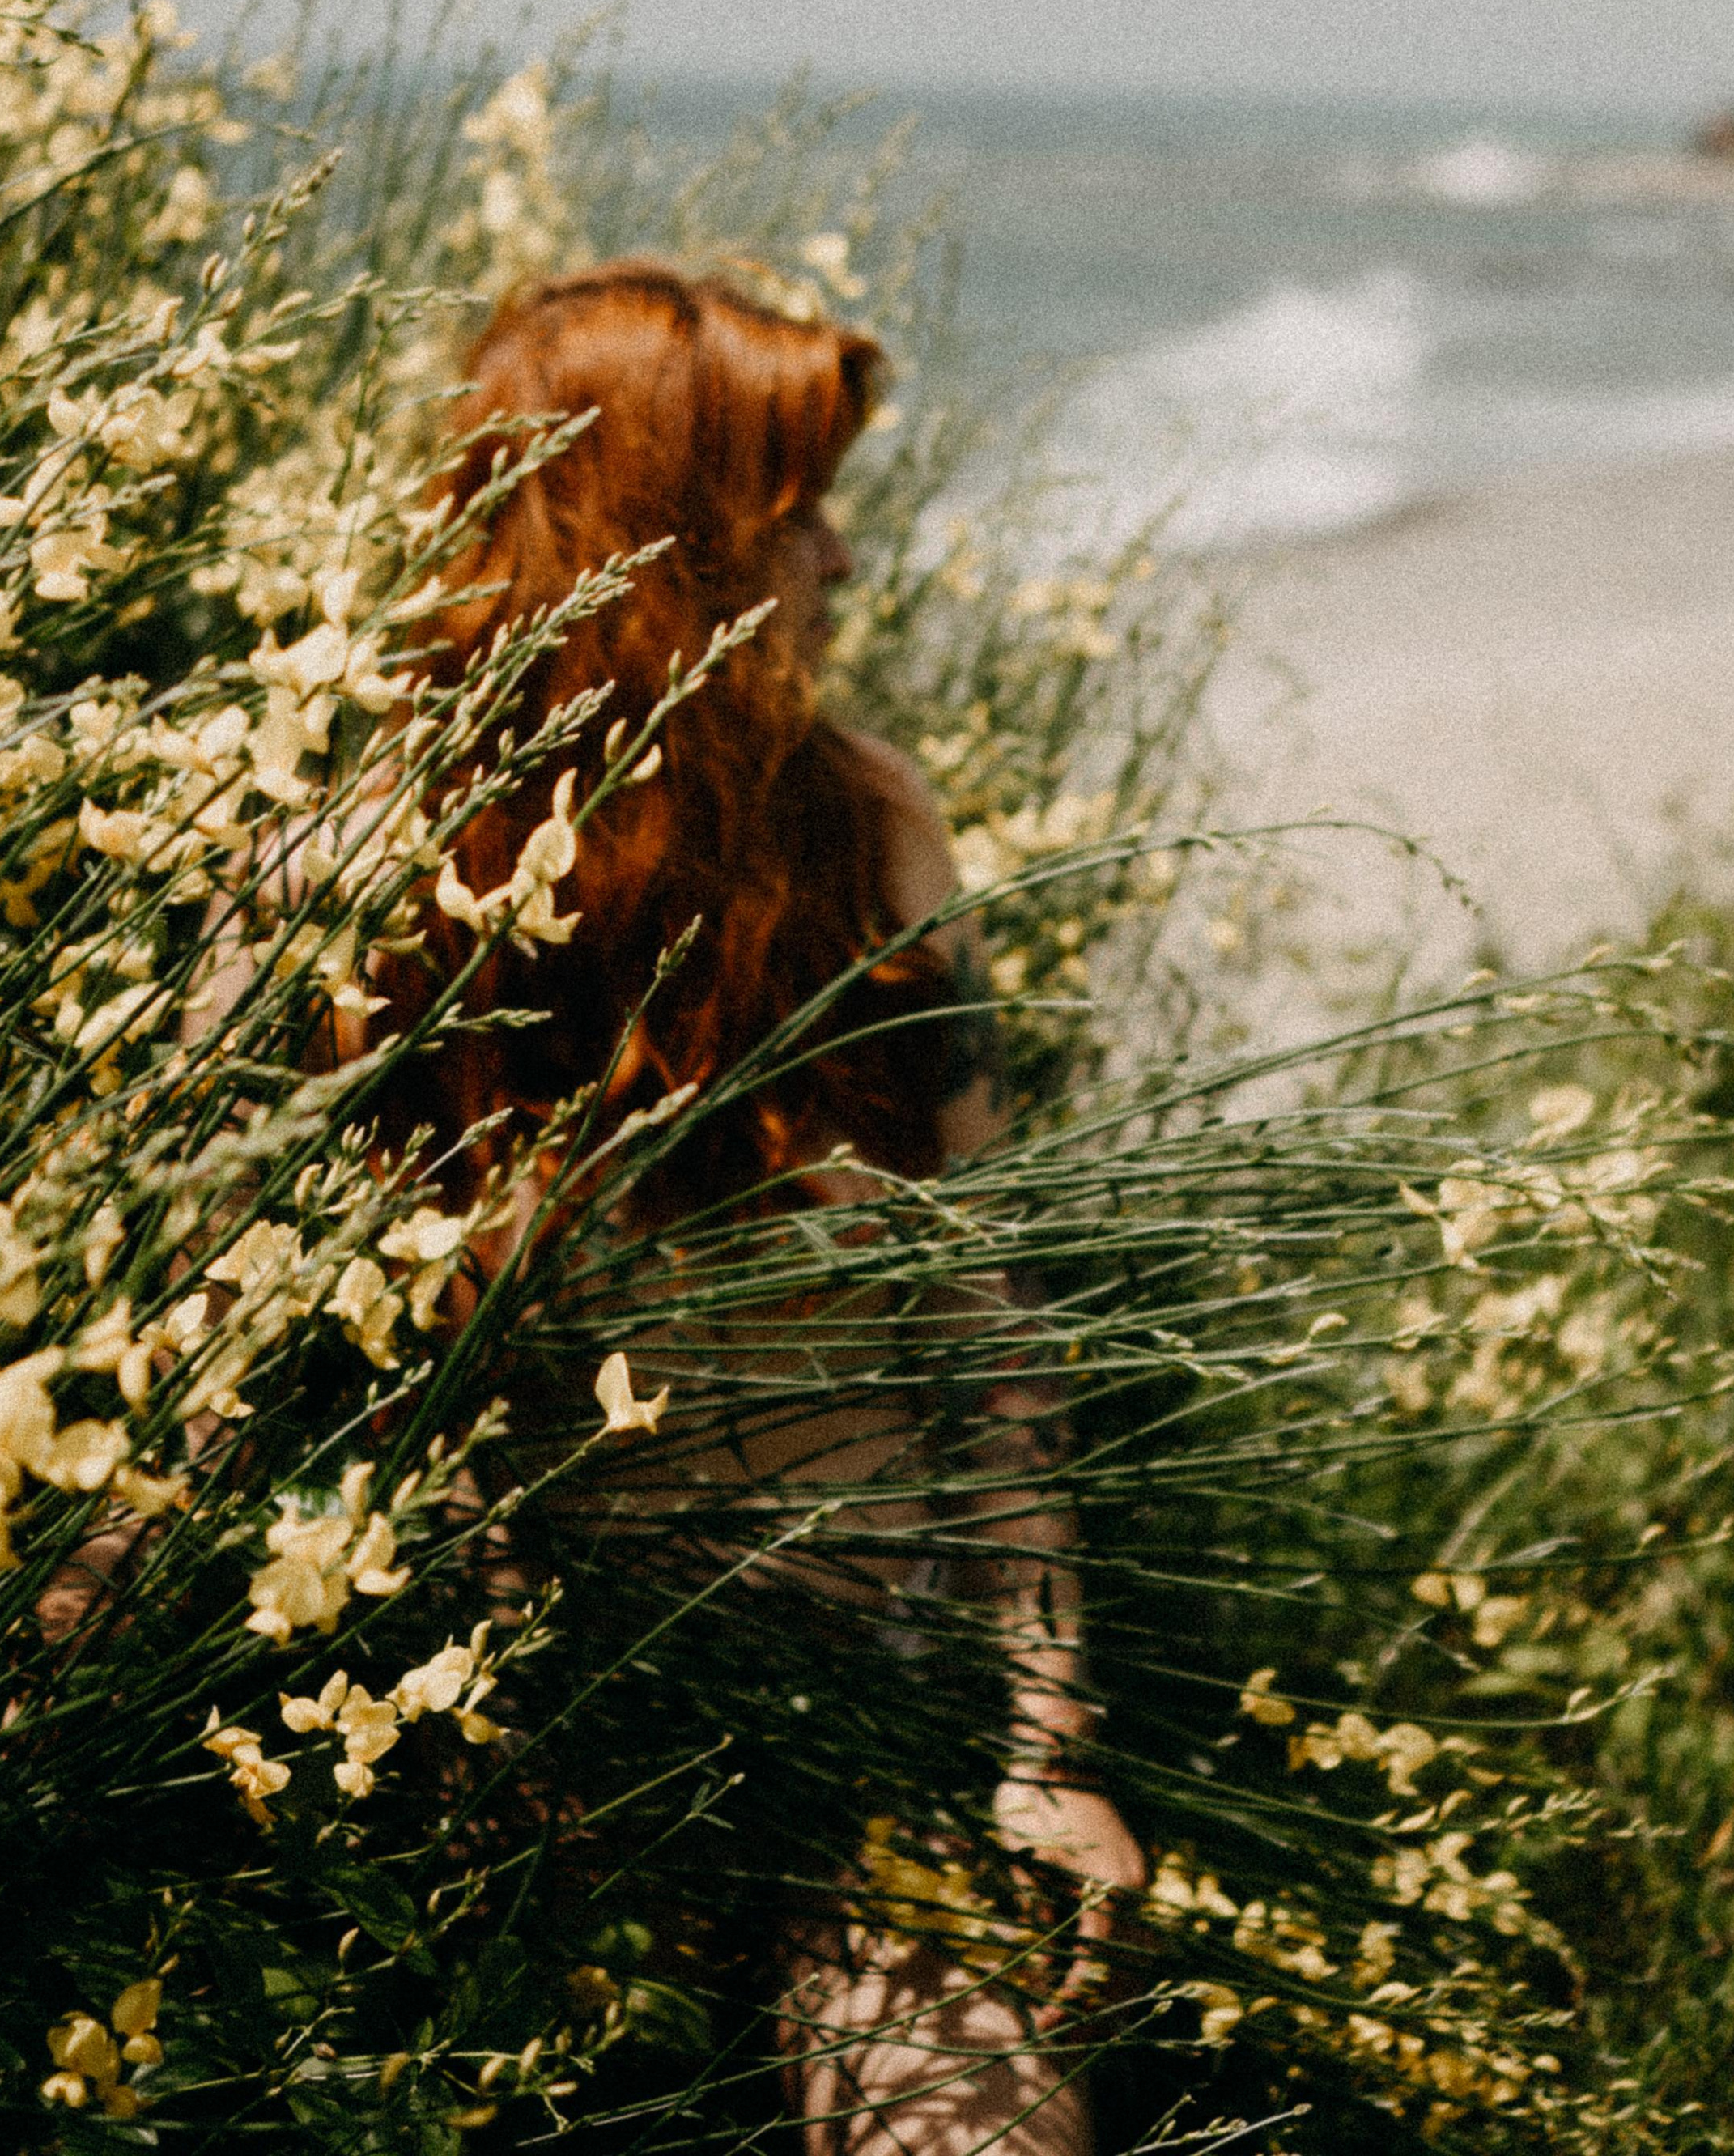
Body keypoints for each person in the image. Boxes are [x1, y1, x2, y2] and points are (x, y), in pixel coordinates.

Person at [393, 257, 1145, 2155]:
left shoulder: (865, 829)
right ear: (660, 549)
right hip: (518, 1739)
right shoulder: (380, 877)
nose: (842, 557)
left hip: (867, 1730)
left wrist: (1043, 1751)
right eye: (795, 511)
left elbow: (992, 1327)